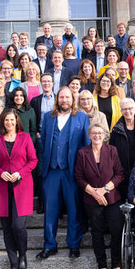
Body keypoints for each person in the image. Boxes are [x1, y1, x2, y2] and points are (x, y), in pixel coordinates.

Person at [37, 86, 90, 259]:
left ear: (72, 99)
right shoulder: (48, 117)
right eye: (61, 97)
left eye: (67, 97)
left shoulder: (81, 117)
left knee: (74, 209)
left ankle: (74, 244)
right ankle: (49, 244)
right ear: (57, 99)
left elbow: (86, 144)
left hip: (72, 171)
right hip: (52, 171)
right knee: (50, 210)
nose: (64, 100)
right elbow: (43, 141)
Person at [0, 109, 38, 269]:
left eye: (12, 120)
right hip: (2, 187)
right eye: (6, 120)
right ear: (2, 122)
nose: (9, 123)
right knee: (7, 228)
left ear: (16, 121)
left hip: (21, 185)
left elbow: (33, 160)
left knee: (18, 225)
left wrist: (20, 173)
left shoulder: (24, 138)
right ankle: (13, 264)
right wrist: (0, 172)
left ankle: (22, 255)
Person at [74, 123, 125, 269]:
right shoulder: (82, 153)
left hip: (112, 198)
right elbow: (79, 177)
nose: (97, 136)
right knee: (97, 232)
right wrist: (95, 193)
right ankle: (101, 265)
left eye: (100, 133)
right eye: (94, 133)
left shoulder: (112, 151)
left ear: (104, 135)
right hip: (91, 199)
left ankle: (116, 264)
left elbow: (119, 174)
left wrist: (104, 190)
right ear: (89, 135)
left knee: (116, 230)